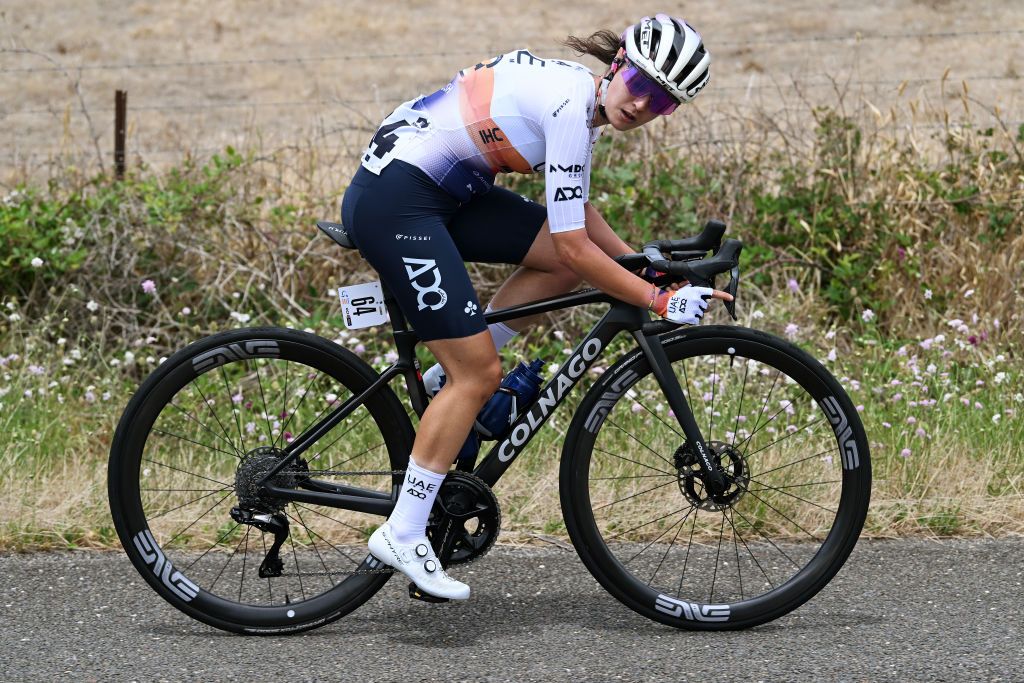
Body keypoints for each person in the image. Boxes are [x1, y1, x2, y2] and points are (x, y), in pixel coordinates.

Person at [342, 14, 732, 600]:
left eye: (665, 104)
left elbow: (573, 216)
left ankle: (445, 380)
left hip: (445, 190)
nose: (646, 106)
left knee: (544, 258)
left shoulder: (586, 105)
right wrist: (658, 298)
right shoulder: (570, 105)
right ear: (620, 64)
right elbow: (578, 248)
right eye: (645, 87)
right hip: (402, 199)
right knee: (480, 373)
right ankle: (404, 530)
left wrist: (639, 264)